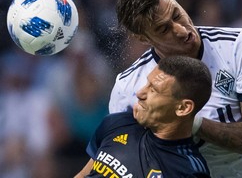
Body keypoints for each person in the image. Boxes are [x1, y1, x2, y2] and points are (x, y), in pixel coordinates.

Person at [109, 0, 242, 177]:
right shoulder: (127, 89)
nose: (182, 30)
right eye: (164, 29)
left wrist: (191, 124)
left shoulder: (238, 47)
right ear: (143, 38)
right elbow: (124, 162)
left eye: (177, 14)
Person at [75, 56, 212, 178]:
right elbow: (83, 174)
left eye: (153, 90)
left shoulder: (188, 171)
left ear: (183, 108)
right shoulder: (117, 123)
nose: (140, 93)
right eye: (146, 84)